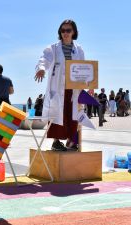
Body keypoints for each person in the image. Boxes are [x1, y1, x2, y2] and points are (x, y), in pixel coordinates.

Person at [35, 19, 85, 151]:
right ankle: (56, 142)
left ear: (73, 32)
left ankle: (72, 142)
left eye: (68, 30)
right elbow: (44, 58)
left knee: (72, 114)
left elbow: (84, 68)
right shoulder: (53, 48)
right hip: (58, 87)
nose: (65, 33)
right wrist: (41, 68)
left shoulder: (78, 50)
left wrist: (88, 86)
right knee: (57, 114)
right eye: (63, 31)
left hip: (73, 88)